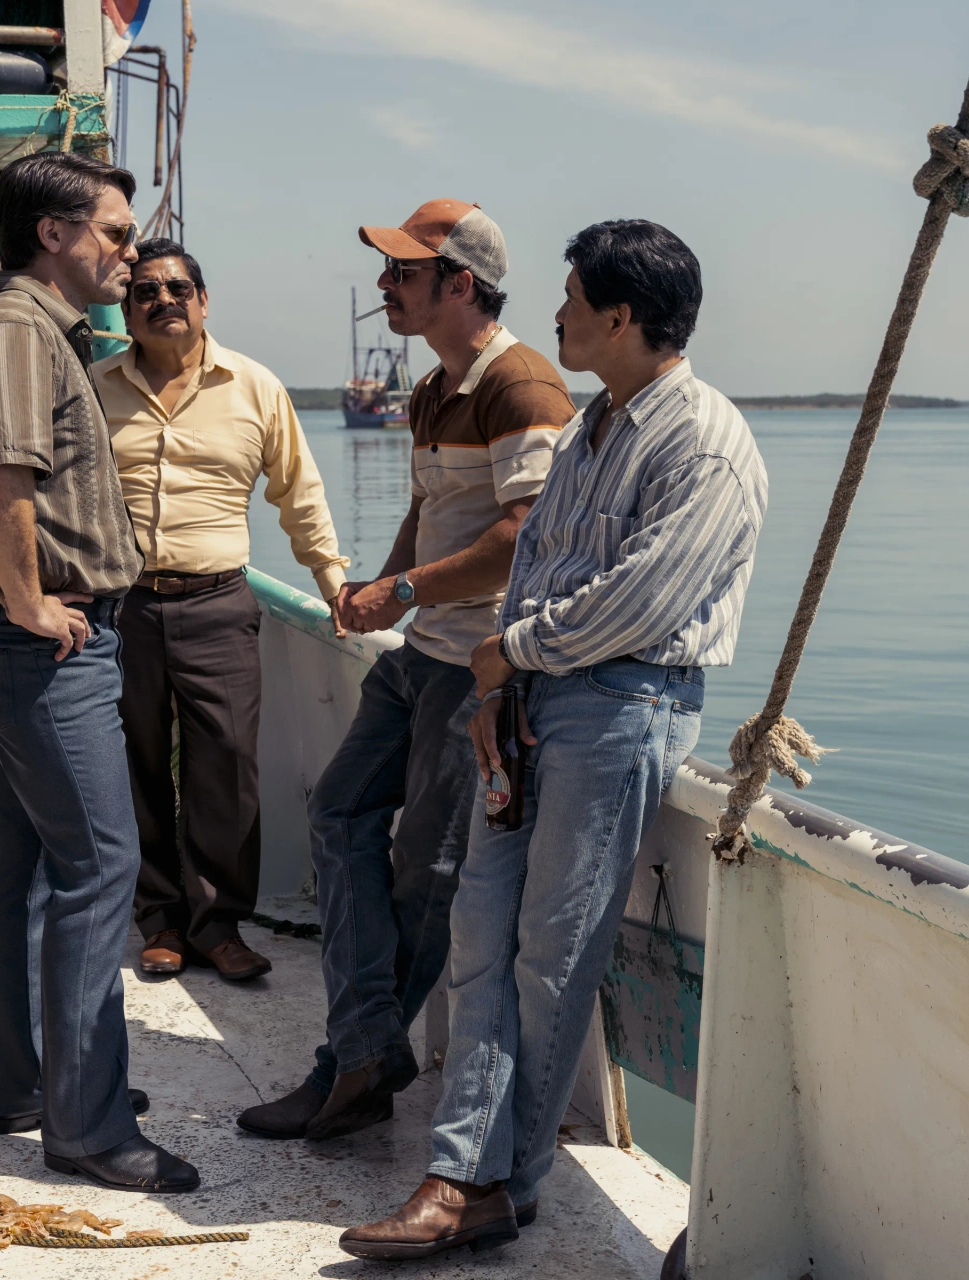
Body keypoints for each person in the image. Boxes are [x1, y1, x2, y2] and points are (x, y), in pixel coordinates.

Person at [339, 220, 768, 1260]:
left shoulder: (703, 440)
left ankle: (491, 1181)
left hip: (622, 707)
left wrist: (512, 651)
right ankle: (462, 1172)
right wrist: (506, 676)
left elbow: (641, 598)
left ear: (622, 316)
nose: (560, 312)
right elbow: (539, 558)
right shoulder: (595, 428)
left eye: (575, 298)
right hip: (533, 702)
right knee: (484, 935)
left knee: (550, 955)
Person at [237, 200, 573, 1143]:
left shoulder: (525, 391)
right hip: (415, 657)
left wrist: (407, 591)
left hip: (480, 669)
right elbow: (432, 515)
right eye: (388, 272)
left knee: (425, 868)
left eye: (405, 273)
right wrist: (381, 587)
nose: (386, 287)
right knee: (338, 811)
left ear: (460, 283)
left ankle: (351, 1064)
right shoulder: (434, 389)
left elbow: (525, 539)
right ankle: (368, 1048)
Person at [0, 151, 196, 1194]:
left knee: (31, 866)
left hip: (36, 637)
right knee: (98, 868)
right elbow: (3, 475)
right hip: (47, 641)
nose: (131, 255)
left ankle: (26, 1085)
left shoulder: (42, 331)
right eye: (116, 232)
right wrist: (32, 599)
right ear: (54, 233)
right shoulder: (13, 328)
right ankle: (89, 1127)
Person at [94, 238, 351, 983]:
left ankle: (217, 923)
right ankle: (160, 921)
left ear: (204, 302)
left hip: (217, 604)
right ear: (127, 309)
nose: (163, 300)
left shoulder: (255, 387)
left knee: (228, 765)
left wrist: (333, 582)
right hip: (123, 609)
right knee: (135, 764)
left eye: (178, 288)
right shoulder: (95, 387)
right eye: (145, 291)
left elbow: (298, 493)